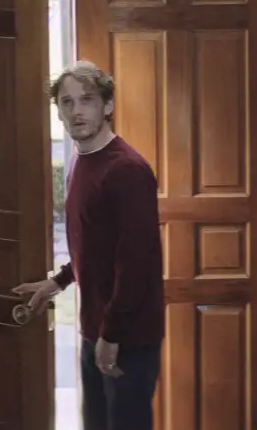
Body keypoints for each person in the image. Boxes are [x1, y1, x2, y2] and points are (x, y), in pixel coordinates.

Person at [13, 62, 164, 430]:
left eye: (87, 100)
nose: (77, 111)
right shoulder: (82, 162)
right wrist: (58, 281)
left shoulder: (127, 170)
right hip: (95, 329)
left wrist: (111, 335)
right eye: (67, 102)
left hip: (127, 337)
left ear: (107, 106)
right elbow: (96, 245)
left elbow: (136, 263)